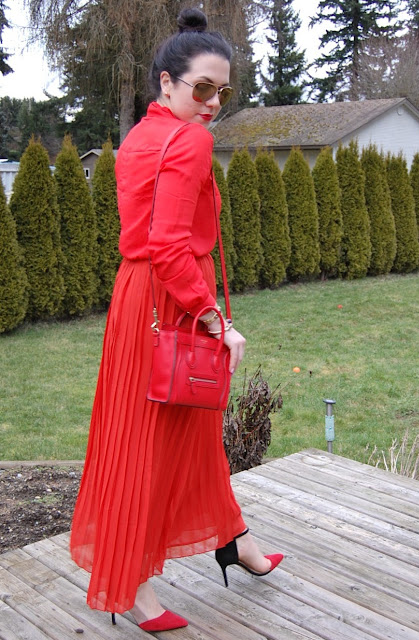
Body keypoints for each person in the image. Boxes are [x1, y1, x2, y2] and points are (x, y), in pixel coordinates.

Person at [70, 7, 283, 633]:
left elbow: (148, 242)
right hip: (171, 298)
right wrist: (218, 321)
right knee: (151, 446)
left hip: (138, 298)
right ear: (166, 82)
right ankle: (128, 590)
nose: (214, 102)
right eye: (201, 88)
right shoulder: (189, 139)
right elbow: (168, 245)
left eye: (223, 90)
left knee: (180, 433)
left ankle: (233, 539)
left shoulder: (140, 136)